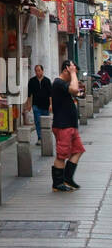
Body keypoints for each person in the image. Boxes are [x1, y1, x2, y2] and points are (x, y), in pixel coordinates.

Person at [50, 59, 84, 192]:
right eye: (72, 72)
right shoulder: (58, 82)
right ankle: (57, 183)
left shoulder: (63, 83)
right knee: (62, 155)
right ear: (66, 70)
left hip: (71, 125)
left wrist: (73, 74)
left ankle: (67, 179)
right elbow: (75, 90)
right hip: (63, 125)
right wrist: (73, 74)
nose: (74, 76)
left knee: (78, 150)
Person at [25, 63, 52, 144]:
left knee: (45, 122)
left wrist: (51, 104)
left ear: (42, 71)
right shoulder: (32, 81)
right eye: (36, 71)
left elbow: (50, 94)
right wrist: (29, 105)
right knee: (37, 121)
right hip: (36, 105)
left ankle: (45, 137)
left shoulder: (47, 81)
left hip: (46, 105)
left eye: (39, 71)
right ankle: (40, 138)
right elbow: (29, 95)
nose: (38, 72)